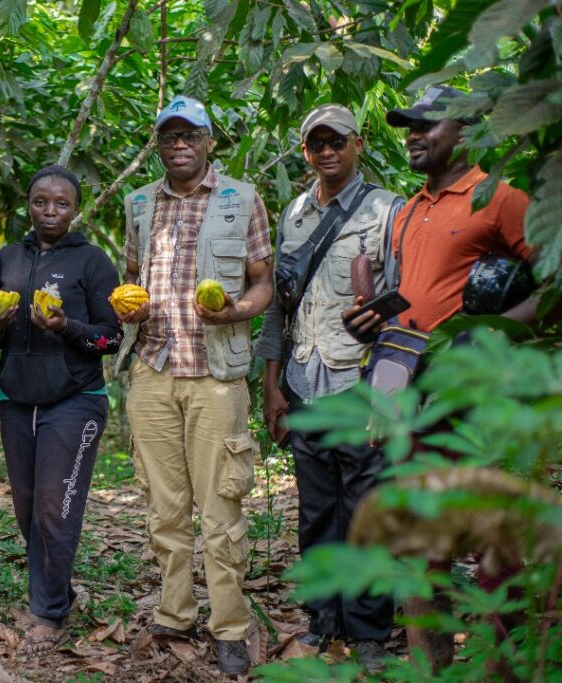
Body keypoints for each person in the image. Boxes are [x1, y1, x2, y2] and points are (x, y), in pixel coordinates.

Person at [343, 85, 537, 671]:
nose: (414, 135)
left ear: (468, 130)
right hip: (407, 386)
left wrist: (496, 334)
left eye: (429, 124)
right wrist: (370, 325)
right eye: (408, 126)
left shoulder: (499, 197)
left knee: (488, 536)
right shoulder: (407, 210)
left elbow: (552, 278)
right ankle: (431, 666)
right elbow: (414, 300)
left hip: (473, 394)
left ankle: (511, 662)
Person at [115, 96, 273, 676]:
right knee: (164, 507)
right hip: (153, 370)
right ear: (158, 144)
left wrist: (236, 311)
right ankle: (174, 613)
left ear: (210, 142)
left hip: (216, 375)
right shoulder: (138, 203)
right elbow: (133, 278)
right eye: (169, 136)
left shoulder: (241, 198)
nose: (179, 145)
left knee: (221, 508)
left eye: (191, 136)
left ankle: (230, 626)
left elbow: (263, 284)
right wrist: (127, 310)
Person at [254, 104, 403, 673]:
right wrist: (272, 388)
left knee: (364, 510)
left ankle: (368, 632)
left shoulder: (386, 210)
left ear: (357, 144)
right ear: (305, 151)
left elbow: (402, 305)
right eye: (316, 143)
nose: (327, 151)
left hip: (358, 382)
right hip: (303, 383)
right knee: (316, 511)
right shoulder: (292, 213)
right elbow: (279, 309)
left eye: (336, 141)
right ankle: (324, 620)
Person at [0, 165, 121, 654]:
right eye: (41, 201)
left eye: (61, 203)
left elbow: (111, 336)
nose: (50, 211)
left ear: (74, 208)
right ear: (29, 204)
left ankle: (48, 613)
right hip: (18, 402)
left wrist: (65, 327)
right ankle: (57, 591)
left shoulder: (92, 262)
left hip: (75, 401)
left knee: (55, 509)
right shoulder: (8, 258)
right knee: (27, 510)